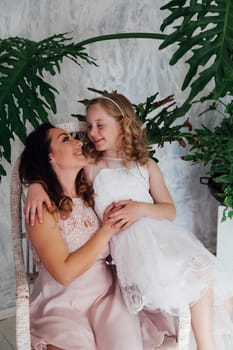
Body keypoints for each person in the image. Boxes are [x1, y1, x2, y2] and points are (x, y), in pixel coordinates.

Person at [25, 94, 233, 350]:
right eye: (87, 127)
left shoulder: (137, 168)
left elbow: (168, 210)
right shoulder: (89, 170)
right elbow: (49, 171)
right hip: (121, 258)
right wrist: (35, 184)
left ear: (122, 124)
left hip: (154, 243)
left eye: (99, 125)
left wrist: (141, 208)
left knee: (204, 274)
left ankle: (206, 345)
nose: (87, 136)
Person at [19, 122, 169, 350]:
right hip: (61, 303)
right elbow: (65, 273)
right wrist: (106, 229)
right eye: (65, 139)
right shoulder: (42, 207)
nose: (79, 142)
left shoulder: (94, 190)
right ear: (50, 158)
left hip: (107, 297)